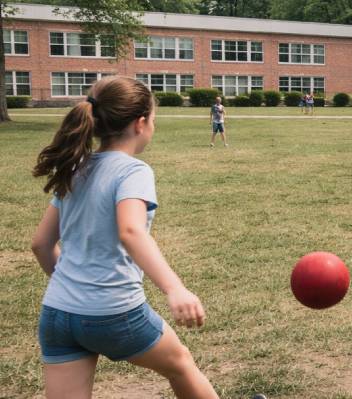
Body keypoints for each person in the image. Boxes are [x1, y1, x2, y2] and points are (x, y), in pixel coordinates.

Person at [30, 76, 218, 398]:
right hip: (114, 313)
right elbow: (130, 230)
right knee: (181, 364)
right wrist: (175, 289)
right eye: (154, 120)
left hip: (57, 314)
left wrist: (74, 290)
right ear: (140, 123)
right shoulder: (133, 171)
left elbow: (41, 244)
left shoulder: (76, 167)